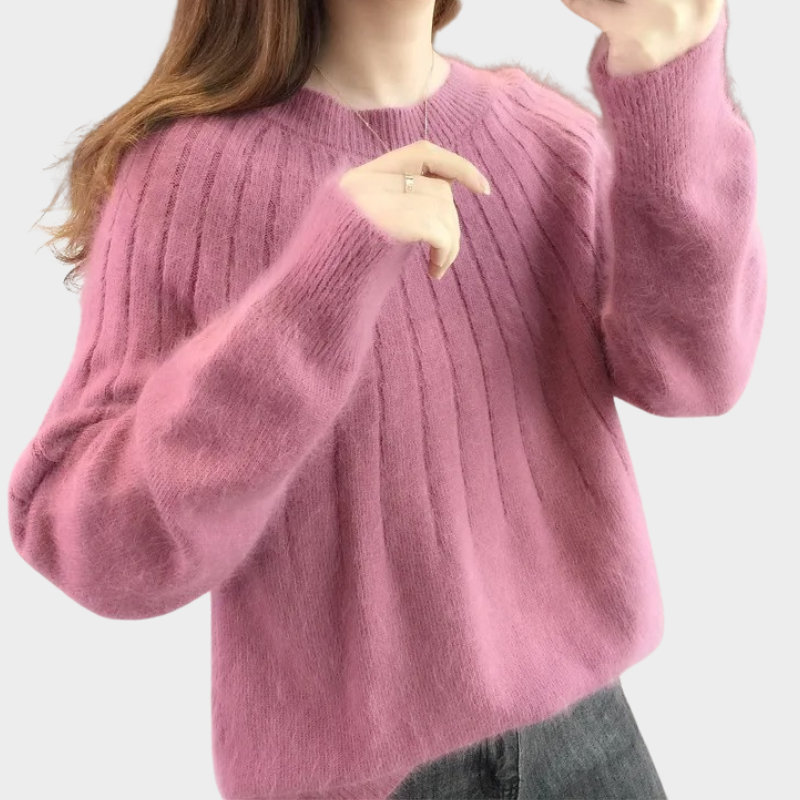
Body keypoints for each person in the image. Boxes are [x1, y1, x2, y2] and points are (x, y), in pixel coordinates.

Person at [8, 1, 764, 798]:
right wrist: (319, 285)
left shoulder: (547, 140)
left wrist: (669, 75)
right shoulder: (181, 181)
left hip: (591, 742)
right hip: (365, 781)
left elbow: (695, 375)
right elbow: (91, 548)